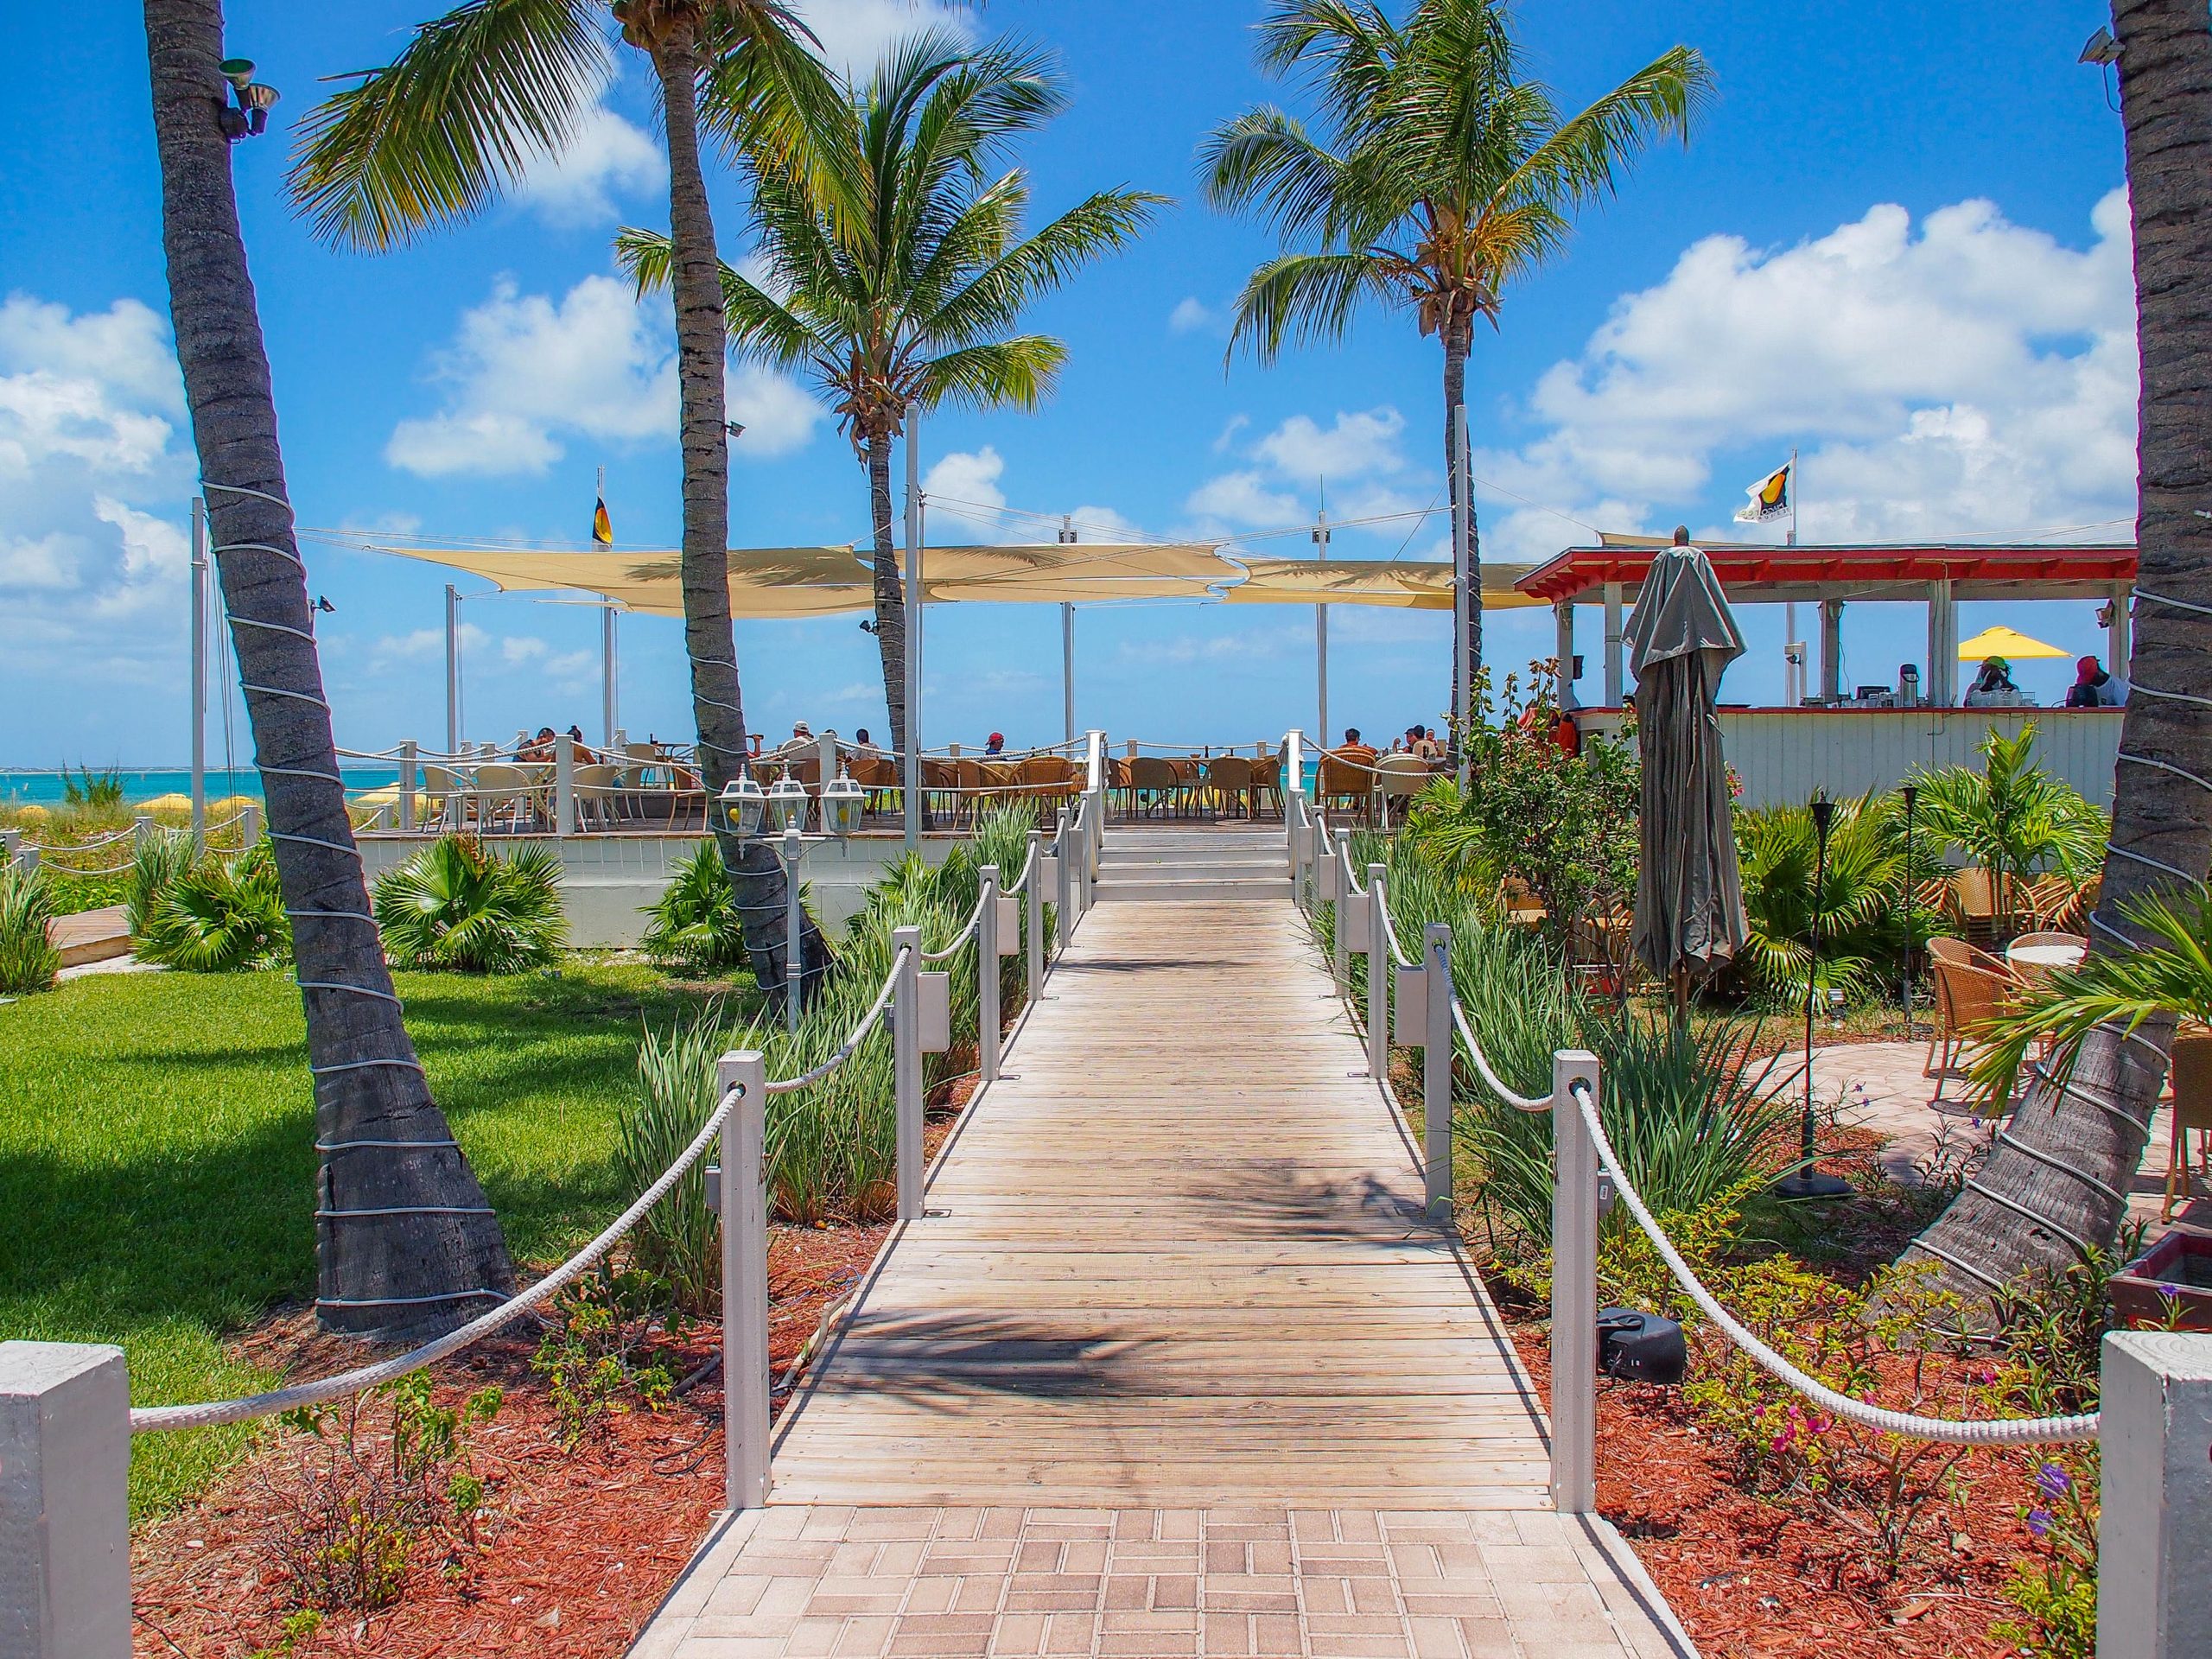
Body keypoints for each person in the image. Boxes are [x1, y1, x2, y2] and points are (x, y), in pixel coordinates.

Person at [1963, 657, 2033, 709]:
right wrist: (1987, 684)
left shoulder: (2013, 688)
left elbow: (2016, 703)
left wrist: (2004, 681)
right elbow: (1966, 705)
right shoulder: (1975, 687)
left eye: (1984, 669)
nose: (1982, 671)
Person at [2065, 654, 2129, 708]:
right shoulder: (2088, 688)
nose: (2089, 682)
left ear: (2098, 673)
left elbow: (2124, 709)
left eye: (2091, 678)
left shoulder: (2116, 686)